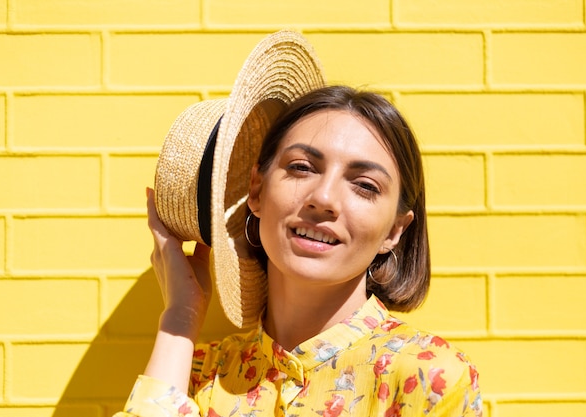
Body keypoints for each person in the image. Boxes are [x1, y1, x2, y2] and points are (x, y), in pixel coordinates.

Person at [114, 32, 482, 417]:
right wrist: (180, 319)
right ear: (255, 190)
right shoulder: (196, 370)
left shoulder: (430, 377)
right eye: (302, 168)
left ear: (394, 231)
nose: (323, 198)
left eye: (364, 186)